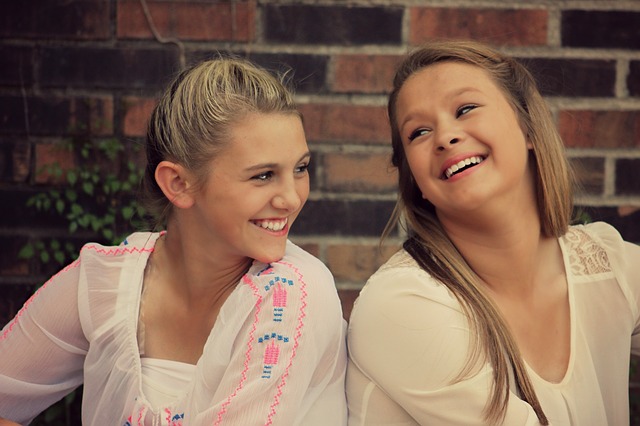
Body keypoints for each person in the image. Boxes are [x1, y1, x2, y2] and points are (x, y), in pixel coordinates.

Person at [0, 57, 348, 425]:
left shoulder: (293, 293)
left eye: (300, 168)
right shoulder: (108, 283)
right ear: (178, 184)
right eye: (263, 176)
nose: (292, 198)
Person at [346, 40, 640, 425]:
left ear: (529, 127)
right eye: (418, 132)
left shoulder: (606, 263)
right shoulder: (402, 305)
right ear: (413, 177)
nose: (445, 137)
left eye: (465, 109)